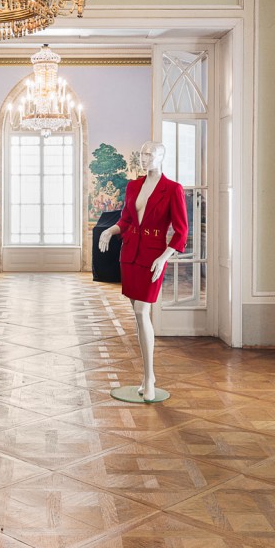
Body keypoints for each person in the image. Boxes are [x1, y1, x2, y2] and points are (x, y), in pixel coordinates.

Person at [97, 141, 189, 401]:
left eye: (150, 153)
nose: (144, 157)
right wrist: (109, 230)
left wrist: (164, 257)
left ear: (161, 156)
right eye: (142, 153)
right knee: (138, 316)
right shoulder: (133, 186)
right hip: (130, 254)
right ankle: (147, 376)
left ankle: (149, 378)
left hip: (153, 257)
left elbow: (181, 231)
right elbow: (126, 220)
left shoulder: (173, 189)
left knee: (141, 311)